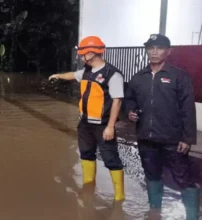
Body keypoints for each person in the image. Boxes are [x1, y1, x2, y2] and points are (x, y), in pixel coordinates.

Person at [125, 34, 199, 219]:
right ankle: (154, 212)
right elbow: (129, 100)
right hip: (146, 138)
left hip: (173, 140)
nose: (155, 52)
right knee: (152, 176)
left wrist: (187, 138)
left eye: (159, 48)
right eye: (151, 48)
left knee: (183, 178)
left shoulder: (179, 76)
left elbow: (188, 108)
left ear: (168, 51)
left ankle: (192, 215)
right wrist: (130, 111)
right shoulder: (138, 77)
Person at [49, 36, 125, 201]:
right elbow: (72, 75)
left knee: (111, 159)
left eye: (83, 53)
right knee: (86, 154)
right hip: (85, 124)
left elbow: (117, 102)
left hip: (103, 125)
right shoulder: (86, 71)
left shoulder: (113, 75)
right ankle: (88, 186)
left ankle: (119, 197)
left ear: (93, 53)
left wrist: (110, 126)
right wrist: (57, 76)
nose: (81, 57)